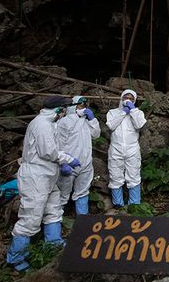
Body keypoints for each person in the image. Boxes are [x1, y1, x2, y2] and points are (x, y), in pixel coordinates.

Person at [6, 96, 80, 272]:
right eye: (63, 110)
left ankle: (53, 244)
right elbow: (48, 152)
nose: (64, 114)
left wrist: (61, 163)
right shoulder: (42, 125)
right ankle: (16, 258)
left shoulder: (49, 123)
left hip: (47, 176)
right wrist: (67, 159)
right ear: (57, 110)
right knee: (31, 217)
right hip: (35, 176)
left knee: (53, 209)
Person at [56, 95, 100, 215]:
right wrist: (63, 163)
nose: (83, 107)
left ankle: (82, 220)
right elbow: (58, 145)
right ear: (73, 106)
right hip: (70, 163)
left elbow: (96, 134)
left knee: (83, 192)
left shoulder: (86, 121)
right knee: (62, 194)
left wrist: (92, 119)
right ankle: (57, 220)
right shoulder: (64, 122)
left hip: (85, 164)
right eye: (80, 105)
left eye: (84, 105)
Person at [106, 89, 147, 207]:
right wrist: (123, 112)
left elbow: (140, 125)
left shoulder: (138, 113)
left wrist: (132, 110)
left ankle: (134, 205)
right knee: (115, 176)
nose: (128, 100)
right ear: (121, 98)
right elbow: (111, 125)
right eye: (125, 97)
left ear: (134, 100)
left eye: (131, 98)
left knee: (134, 176)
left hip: (132, 149)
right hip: (116, 149)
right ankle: (118, 205)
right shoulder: (112, 112)